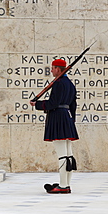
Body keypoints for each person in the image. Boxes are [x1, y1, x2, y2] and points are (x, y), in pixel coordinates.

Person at [30, 59, 78, 194]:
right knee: (68, 154)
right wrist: (71, 120)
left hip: (58, 118)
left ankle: (63, 186)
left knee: (62, 155)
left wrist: (38, 104)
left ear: (58, 69)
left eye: (53, 68)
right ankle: (66, 184)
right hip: (67, 118)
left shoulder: (59, 83)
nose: (51, 70)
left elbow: (53, 103)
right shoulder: (70, 84)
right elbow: (73, 105)